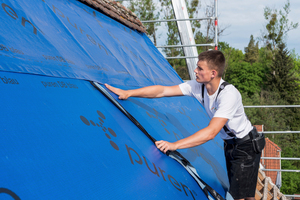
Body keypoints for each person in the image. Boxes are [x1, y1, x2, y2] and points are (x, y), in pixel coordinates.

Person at [105, 50, 262, 200]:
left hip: (246, 145)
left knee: (238, 196)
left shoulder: (228, 95)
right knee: (247, 194)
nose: (195, 70)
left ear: (213, 73)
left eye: (200, 68)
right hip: (231, 144)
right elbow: (162, 91)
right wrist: (129, 93)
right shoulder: (198, 87)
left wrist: (175, 145)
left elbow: (210, 133)